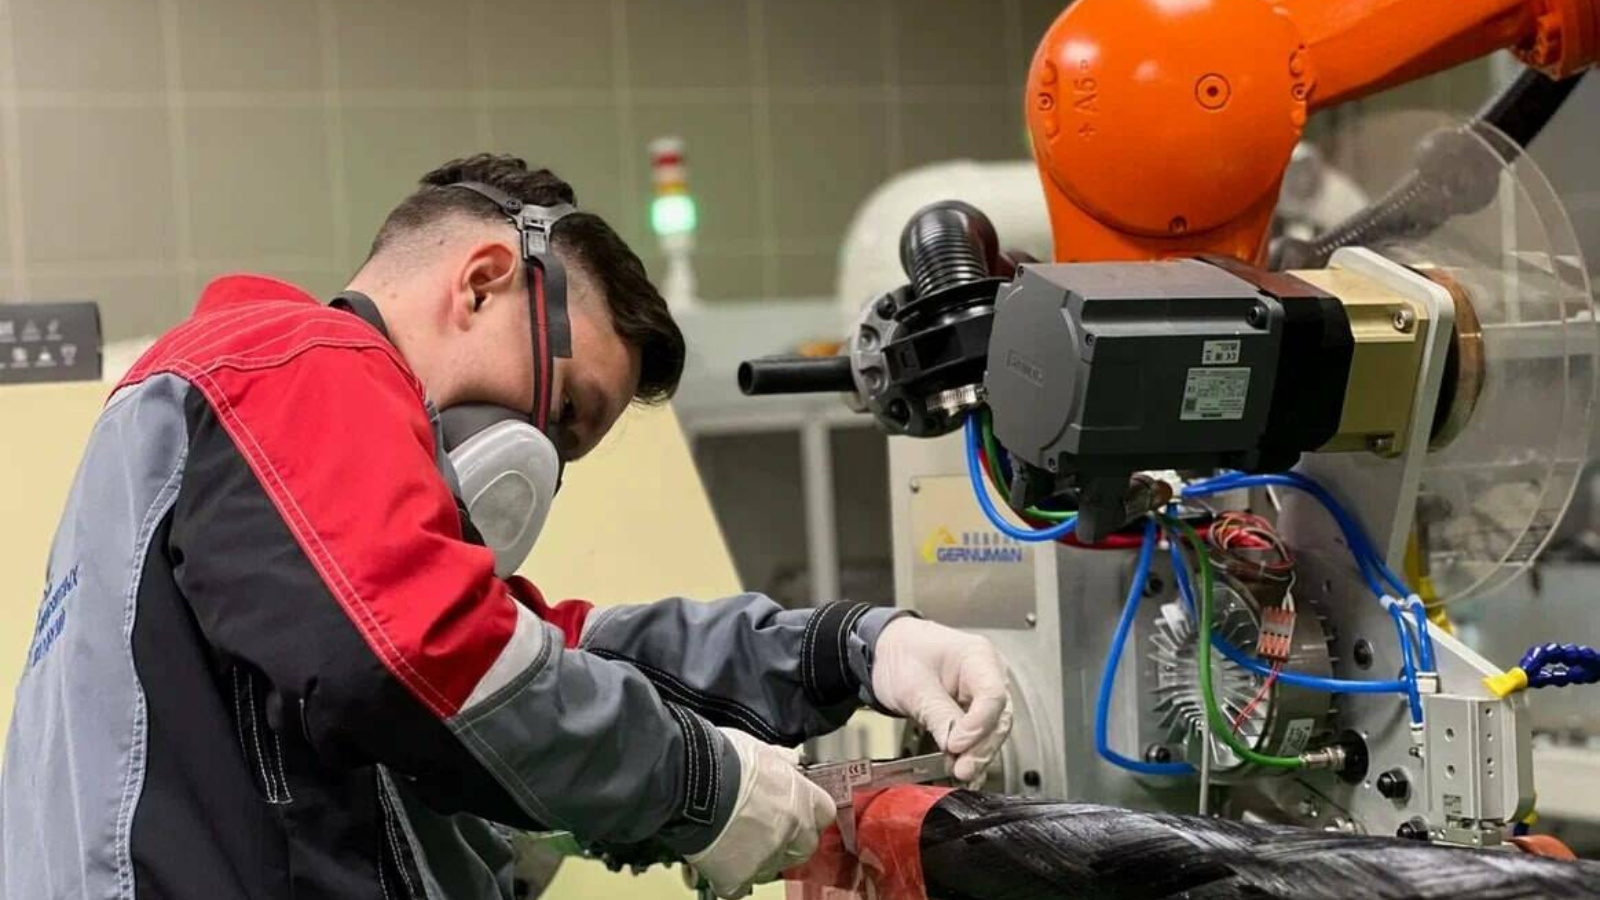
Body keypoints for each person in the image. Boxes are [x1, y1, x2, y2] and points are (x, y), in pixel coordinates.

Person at [0, 154, 1011, 900]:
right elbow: (431, 657)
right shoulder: (296, 358)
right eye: (562, 413)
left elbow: (547, 655)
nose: (541, 465)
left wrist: (845, 650)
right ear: (484, 280)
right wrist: (699, 784)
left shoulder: (254, 442)